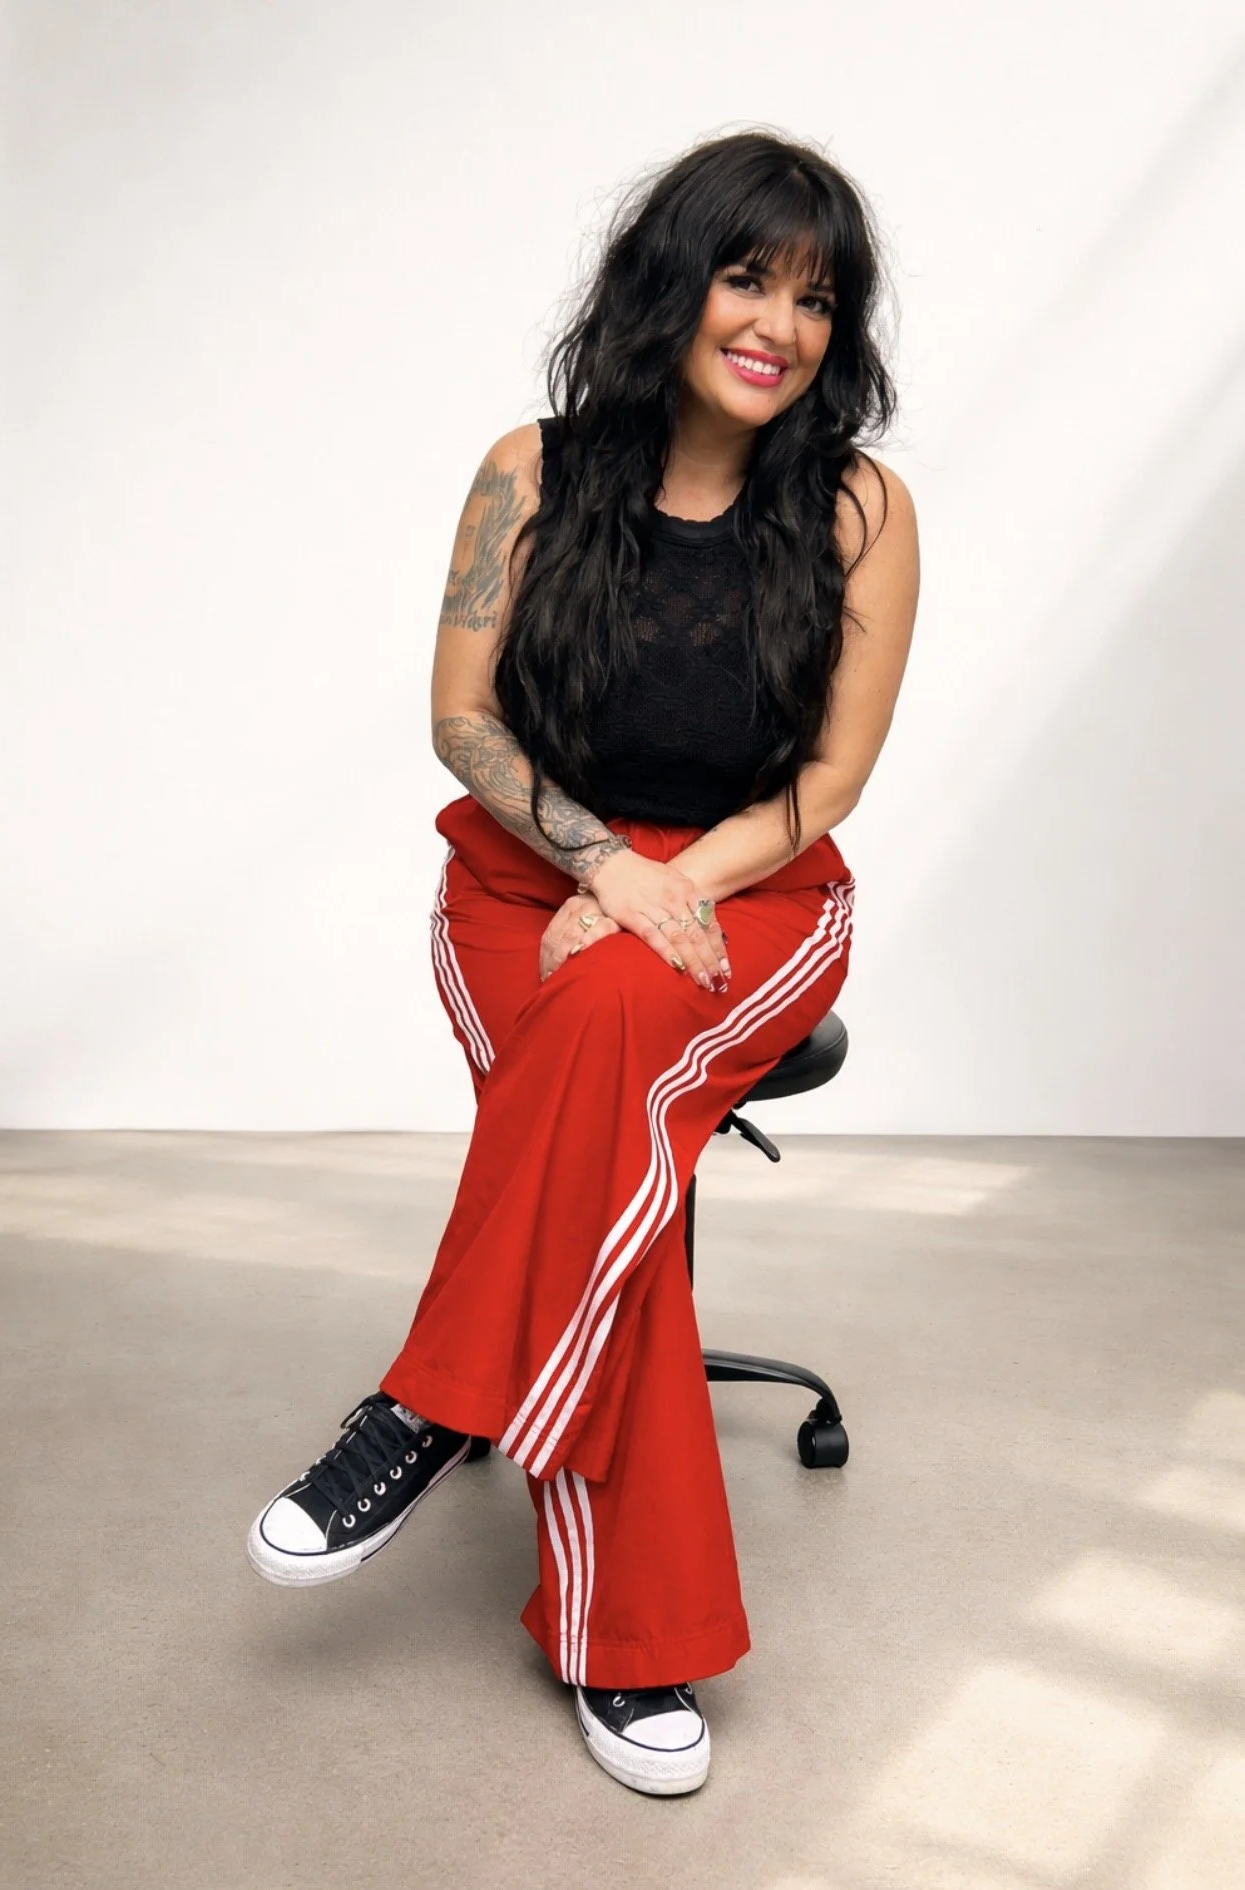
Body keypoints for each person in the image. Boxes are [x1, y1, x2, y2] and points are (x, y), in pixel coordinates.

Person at [247, 128, 919, 1796]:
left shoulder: (858, 509)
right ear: (669, 283)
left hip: (751, 899)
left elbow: (826, 785)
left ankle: (428, 1399)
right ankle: (632, 1649)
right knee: (615, 1178)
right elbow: (458, 716)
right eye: (747, 276)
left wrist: (661, 886)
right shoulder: (529, 472)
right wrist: (602, 860)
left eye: (817, 297)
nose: (779, 323)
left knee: (607, 1029)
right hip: (523, 881)